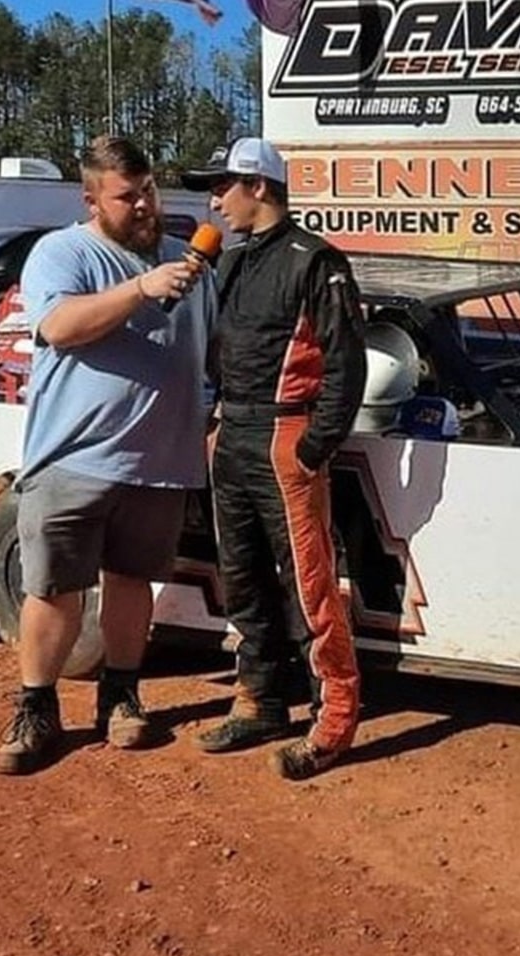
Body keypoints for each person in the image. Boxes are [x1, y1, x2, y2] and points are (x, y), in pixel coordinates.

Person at [0, 136, 216, 776]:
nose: (144, 205)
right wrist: (141, 288)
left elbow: (214, 347)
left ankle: (121, 696)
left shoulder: (188, 263)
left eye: (148, 190)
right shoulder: (63, 252)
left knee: (132, 583)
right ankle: (36, 707)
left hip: (161, 463)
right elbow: (60, 327)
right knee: (55, 589)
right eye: (127, 196)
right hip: (74, 459)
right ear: (92, 200)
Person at [182, 137, 366, 780]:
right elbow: (210, 351)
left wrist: (316, 445)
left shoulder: (315, 260)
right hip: (231, 434)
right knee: (242, 576)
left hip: (286, 436)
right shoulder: (227, 262)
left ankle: (335, 718)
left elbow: (348, 363)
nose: (213, 200)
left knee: (311, 586)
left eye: (221, 186)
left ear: (259, 186)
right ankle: (259, 698)